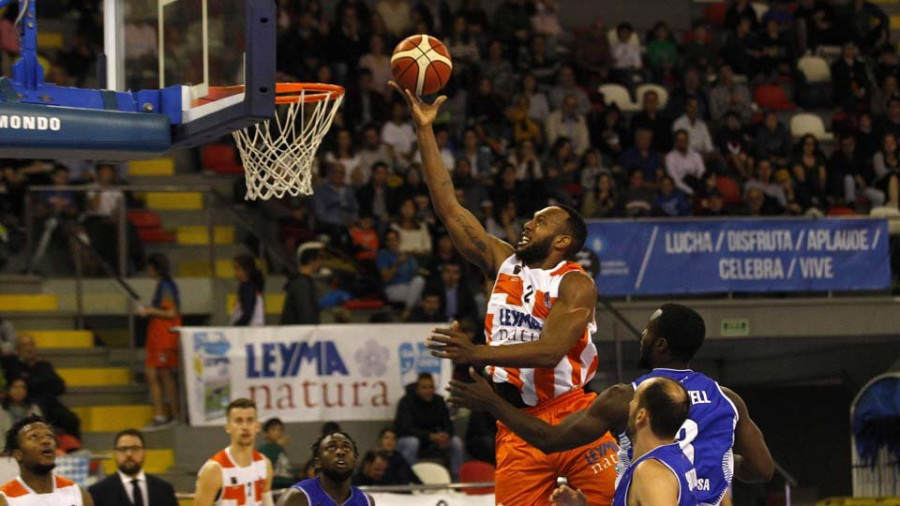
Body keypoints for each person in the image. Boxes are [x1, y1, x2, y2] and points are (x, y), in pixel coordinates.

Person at [390, 79, 618, 505]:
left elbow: (550, 352)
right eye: (530, 218)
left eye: (541, 222)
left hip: (573, 415)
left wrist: (476, 353)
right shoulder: (501, 262)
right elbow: (449, 208)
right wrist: (424, 129)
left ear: (563, 241)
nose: (528, 224)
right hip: (514, 423)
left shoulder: (575, 282)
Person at [449, 303, 775, 506]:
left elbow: (548, 440)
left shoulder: (627, 398)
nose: (642, 336)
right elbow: (763, 470)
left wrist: (492, 401)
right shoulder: (729, 399)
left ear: (660, 344)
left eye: (647, 331)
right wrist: (716, 458)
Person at [550, 377, 696, 506]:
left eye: (634, 400)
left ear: (641, 416)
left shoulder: (650, 472)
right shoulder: (676, 460)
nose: (628, 404)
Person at [194, 399, 274, 506]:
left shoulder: (264, 464)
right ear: (228, 427)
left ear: (257, 426)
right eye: (238, 421)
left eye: (250, 420)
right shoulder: (214, 470)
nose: (245, 427)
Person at [1, 335, 80, 441]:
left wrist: (35, 384)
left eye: (32, 344)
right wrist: (43, 383)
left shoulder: (44, 365)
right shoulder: (13, 364)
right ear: (17, 349)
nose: (29, 348)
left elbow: (60, 386)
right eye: (25, 345)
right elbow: (21, 386)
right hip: (28, 403)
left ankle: (73, 449)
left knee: (71, 418)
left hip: (50, 403)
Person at [0, 416, 94, 505]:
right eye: (34, 436)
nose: (46, 441)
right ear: (18, 454)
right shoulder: (5, 498)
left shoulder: (77, 494)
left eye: (49, 436)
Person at [137, 253, 181, 430]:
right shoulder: (164, 285)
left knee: (156, 374)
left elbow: (171, 313)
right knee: (163, 374)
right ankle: (170, 415)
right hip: (159, 336)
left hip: (163, 336)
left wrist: (149, 311)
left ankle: (163, 415)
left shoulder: (166, 286)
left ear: (154, 268)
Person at [393, 373, 463, 477]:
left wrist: (446, 436)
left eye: (431, 387)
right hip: (409, 440)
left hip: (433, 441)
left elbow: (448, 425)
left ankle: (456, 478)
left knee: (456, 442)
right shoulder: (406, 402)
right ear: (417, 389)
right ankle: (406, 477)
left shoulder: (439, 401)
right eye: (424, 387)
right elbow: (405, 428)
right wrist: (430, 436)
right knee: (412, 442)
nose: (428, 391)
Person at [277, 432, 374, 506]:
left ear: (355, 461)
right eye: (332, 447)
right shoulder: (297, 497)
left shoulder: (366, 501)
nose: (341, 452)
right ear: (318, 462)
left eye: (346, 447)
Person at [88, 428, 178, 506]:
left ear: (144, 452)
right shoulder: (98, 492)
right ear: (115, 454)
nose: (129, 454)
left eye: (135, 449)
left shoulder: (164, 490)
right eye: (123, 449)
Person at [280, 243, 323, 326]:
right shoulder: (302, 284)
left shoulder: (301, 282)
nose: (321, 262)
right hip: (299, 336)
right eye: (320, 258)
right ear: (312, 260)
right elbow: (306, 315)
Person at [259, 418, 296, 490]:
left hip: (288, 484)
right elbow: (268, 464)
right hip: (275, 485)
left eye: (280, 430)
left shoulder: (281, 448)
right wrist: (278, 446)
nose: (277, 432)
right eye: (273, 430)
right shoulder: (264, 448)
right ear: (266, 434)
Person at [231, 254, 265, 327]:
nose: (235, 272)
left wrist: (236, 327)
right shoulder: (250, 287)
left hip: (249, 330)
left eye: (237, 269)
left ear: (246, 271)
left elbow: (247, 313)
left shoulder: (248, 288)